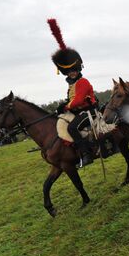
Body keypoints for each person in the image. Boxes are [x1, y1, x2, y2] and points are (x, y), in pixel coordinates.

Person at [48, 18, 97, 166]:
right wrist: (63, 106)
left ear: (78, 69)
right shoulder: (71, 85)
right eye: (69, 71)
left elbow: (79, 100)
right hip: (78, 112)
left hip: (89, 111)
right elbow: (71, 100)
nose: (72, 73)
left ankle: (87, 154)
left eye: (74, 70)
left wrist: (66, 106)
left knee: (72, 127)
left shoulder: (82, 81)